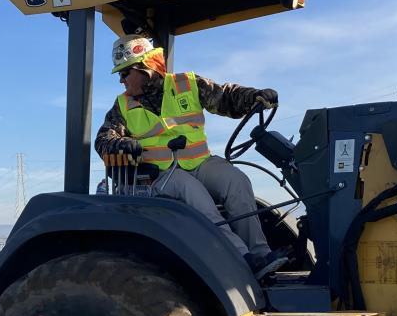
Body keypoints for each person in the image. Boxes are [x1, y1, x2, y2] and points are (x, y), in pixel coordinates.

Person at [95, 33, 290, 278]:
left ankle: (261, 255)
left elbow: (225, 96)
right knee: (193, 192)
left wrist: (254, 97)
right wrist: (121, 143)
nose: (121, 81)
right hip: (157, 176)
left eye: (125, 73)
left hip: (199, 163)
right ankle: (243, 259)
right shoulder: (122, 105)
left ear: (144, 67)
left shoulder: (186, 84)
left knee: (236, 180)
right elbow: (104, 140)